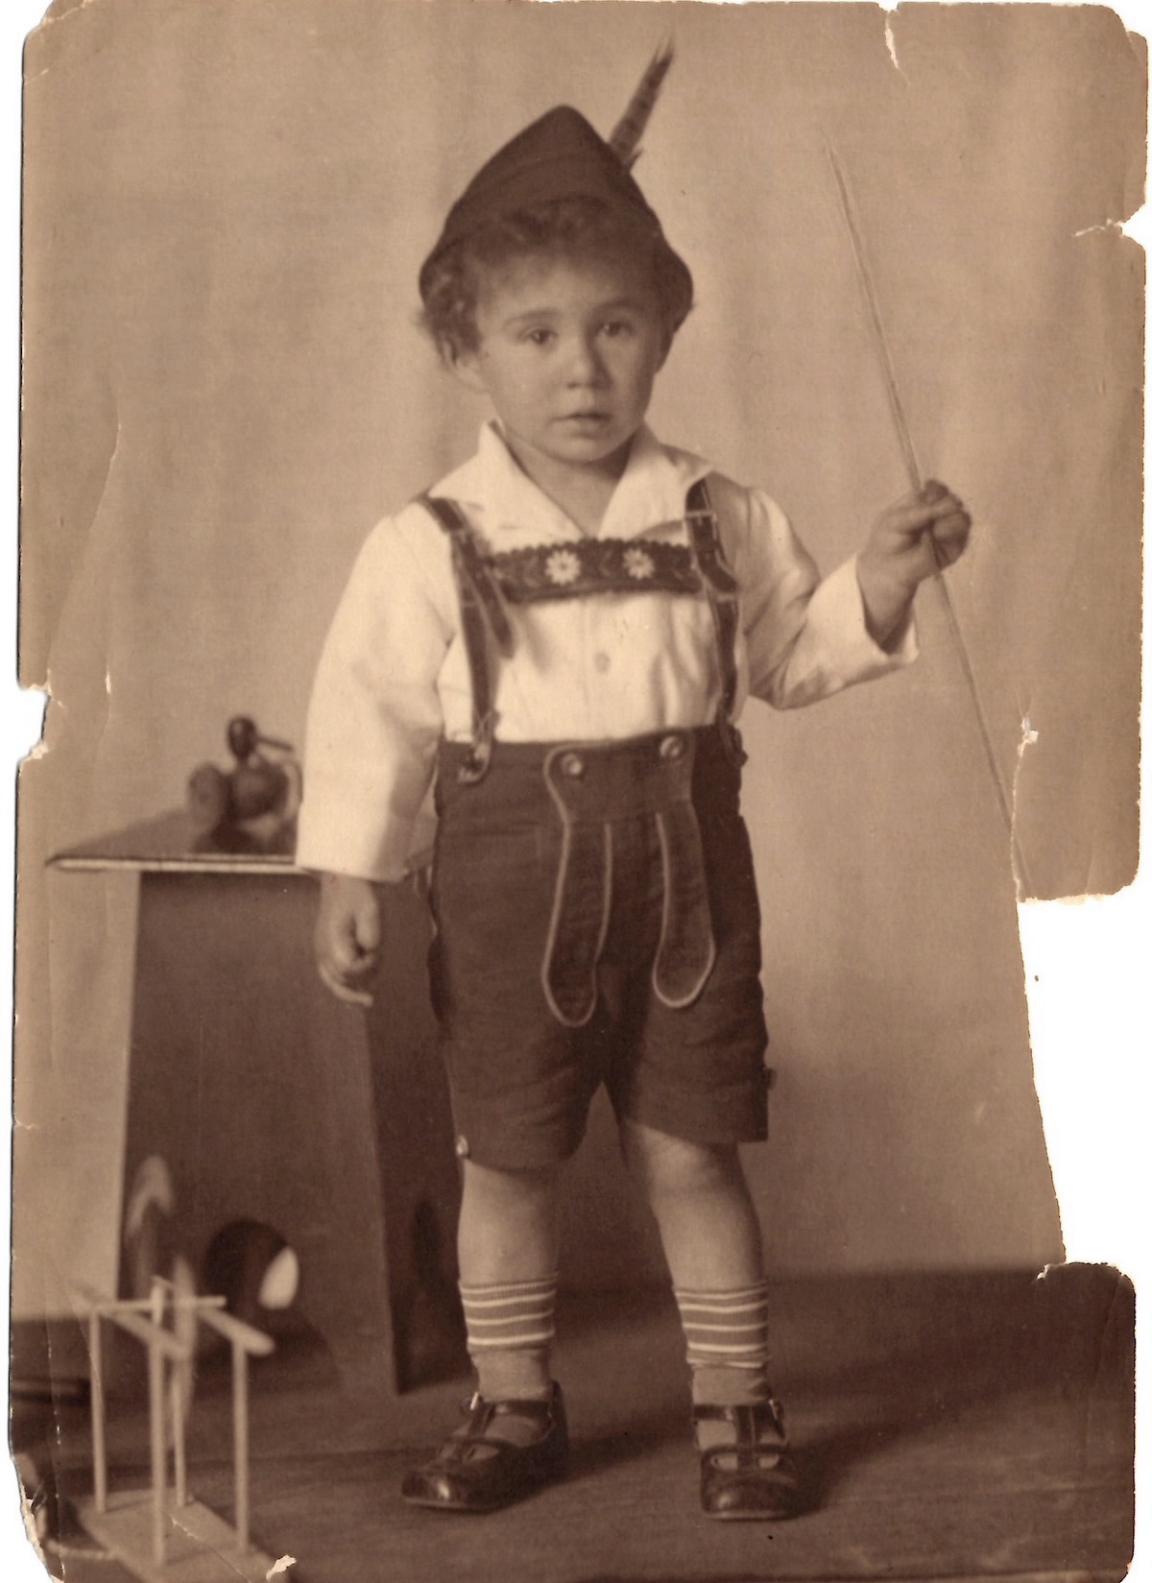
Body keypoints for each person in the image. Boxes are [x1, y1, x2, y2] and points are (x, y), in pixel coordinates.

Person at [295, 68, 970, 1522]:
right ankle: (515, 1403)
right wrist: (350, 869)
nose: (580, 369)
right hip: (498, 883)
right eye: (537, 334)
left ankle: (738, 1411)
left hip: (687, 885)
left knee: (692, 1147)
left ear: (666, 329)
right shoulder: (425, 544)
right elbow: (368, 711)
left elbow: (789, 652)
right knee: (510, 1159)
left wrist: (885, 580)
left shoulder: (717, 514)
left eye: (614, 327)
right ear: (463, 348)